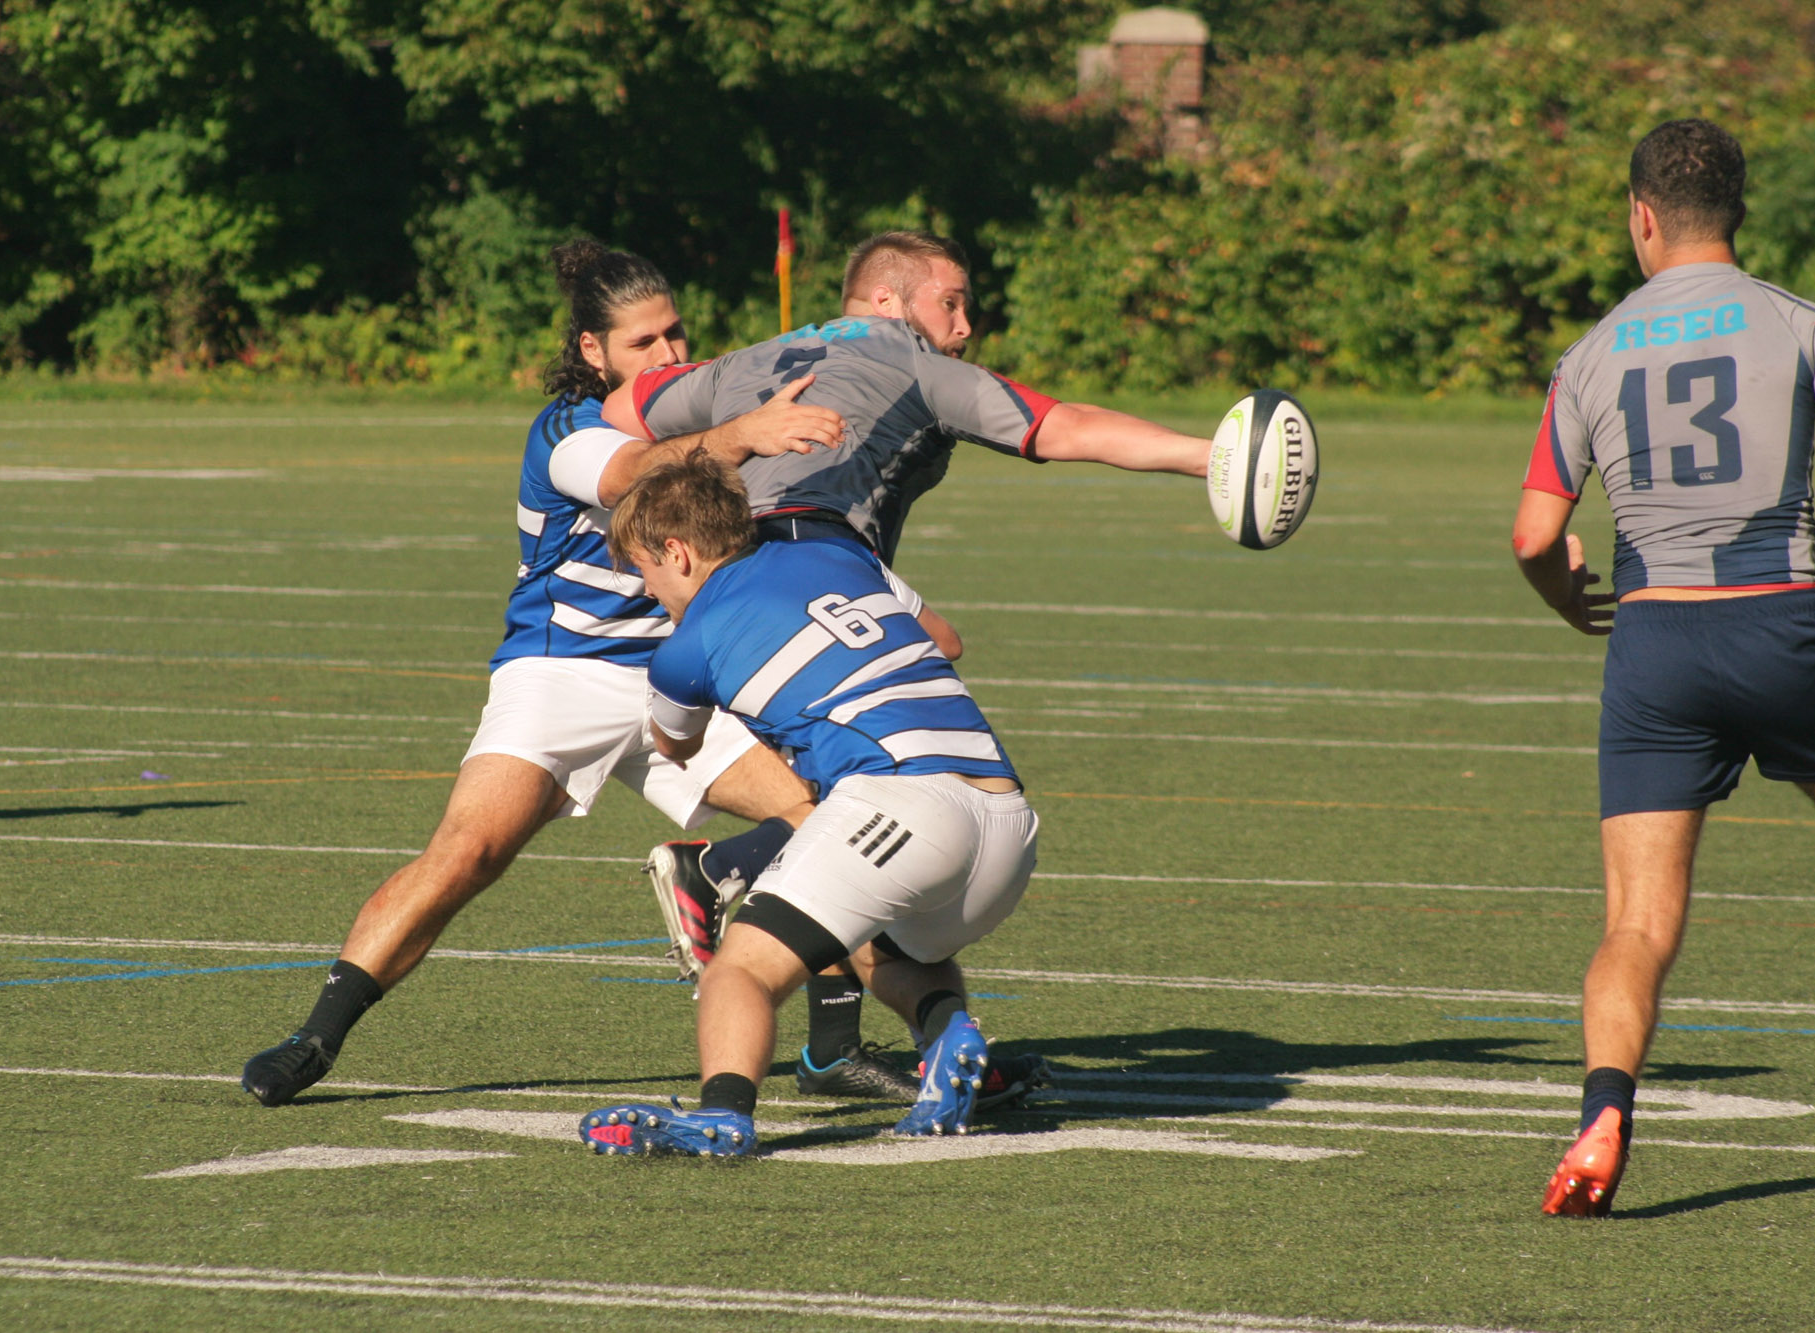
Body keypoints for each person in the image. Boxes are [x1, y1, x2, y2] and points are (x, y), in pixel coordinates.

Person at [238, 238, 848, 1107]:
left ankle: (831, 1042)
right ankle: (314, 1037)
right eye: (643, 345)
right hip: (563, 673)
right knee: (467, 853)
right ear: (594, 353)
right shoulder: (569, 428)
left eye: (675, 335)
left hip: (681, 674)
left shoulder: (708, 402)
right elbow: (633, 471)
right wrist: (741, 436)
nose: (670, 357)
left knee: (827, 817)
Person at [620, 230, 1208, 1103]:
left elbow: (623, 415)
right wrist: (1209, 458)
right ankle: (807, 988)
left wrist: (728, 437)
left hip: (756, 566)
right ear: (890, 303)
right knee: (879, 739)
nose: (965, 325)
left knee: (848, 785)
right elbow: (1062, 427)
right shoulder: (915, 362)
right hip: (825, 563)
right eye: (952, 301)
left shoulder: (745, 360)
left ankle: (736, 895)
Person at [1513, 119, 1815, 1216]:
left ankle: (1600, 1108)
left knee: (1634, 922)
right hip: (1778, 620)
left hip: (1652, 645)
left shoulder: (1587, 353)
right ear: (1736, 213)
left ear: (1640, 216)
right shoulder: (1798, 322)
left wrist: (1565, 597)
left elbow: (1531, 535)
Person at [580, 452, 1038, 1156]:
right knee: (878, 938)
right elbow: (945, 640)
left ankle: (724, 1112)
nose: (646, 588)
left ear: (678, 551)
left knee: (742, 969)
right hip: (1008, 823)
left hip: (899, 802)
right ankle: (949, 1029)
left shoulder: (686, 646)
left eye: (644, 567)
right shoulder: (836, 551)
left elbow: (674, 743)